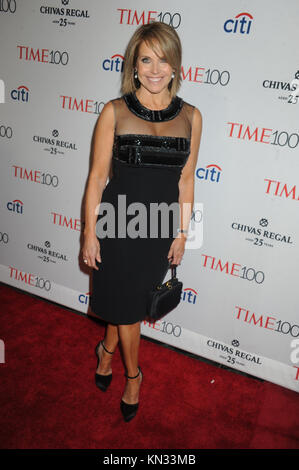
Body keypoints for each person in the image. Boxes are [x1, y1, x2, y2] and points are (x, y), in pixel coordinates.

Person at [82, 22, 202, 422]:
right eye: (146, 59)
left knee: (128, 304)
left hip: (159, 228)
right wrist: (88, 233)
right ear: (133, 65)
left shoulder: (191, 116)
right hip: (117, 225)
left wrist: (183, 232)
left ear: (175, 65)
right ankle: (134, 376)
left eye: (163, 59)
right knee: (129, 310)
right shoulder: (114, 112)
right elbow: (98, 177)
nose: (155, 69)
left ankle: (106, 352)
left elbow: (186, 180)